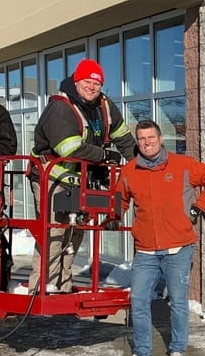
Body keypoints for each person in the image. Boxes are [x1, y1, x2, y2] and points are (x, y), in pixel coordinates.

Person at [115, 120, 205, 356]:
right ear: (137, 142)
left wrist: (199, 207)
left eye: (151, 137)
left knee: (177, 301)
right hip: (146, 250)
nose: (147, 142)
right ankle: (142, 354)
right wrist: (113, 216)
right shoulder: (130, 170)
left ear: (160, 138)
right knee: (138, 300)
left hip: (178, 247)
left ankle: (177, 350)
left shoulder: (183, 165)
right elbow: (120, 201)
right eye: (141, 139)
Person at [28, 58, 136, 294]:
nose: (92, 87)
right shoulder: (60, 107)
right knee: (55, 232)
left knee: (75, 232)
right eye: (87, 81)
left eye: (97, 83)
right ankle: (40, 288)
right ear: (77, 81)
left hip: (82, 179)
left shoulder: (104, 106)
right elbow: (70, 149)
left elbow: (124, 138)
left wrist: (139, 163)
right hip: (52, 177)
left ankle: (62, 286)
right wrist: (107, 156)